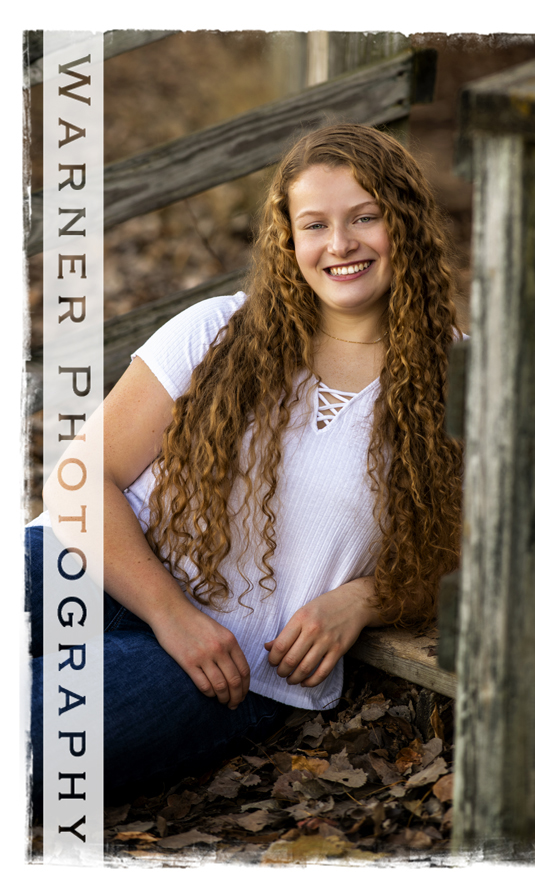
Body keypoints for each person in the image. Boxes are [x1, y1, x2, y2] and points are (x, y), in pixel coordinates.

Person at [26, 123, 464, 809]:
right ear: (289, 240)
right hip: (87, 565)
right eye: (314, 223)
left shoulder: (459, 380)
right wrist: (171, 612)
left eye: (365, 217)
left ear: (403, 221)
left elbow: (479, 550)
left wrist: (364, 598)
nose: (340, 244)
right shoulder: (220, 330)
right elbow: (83, 478)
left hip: (230, 668)